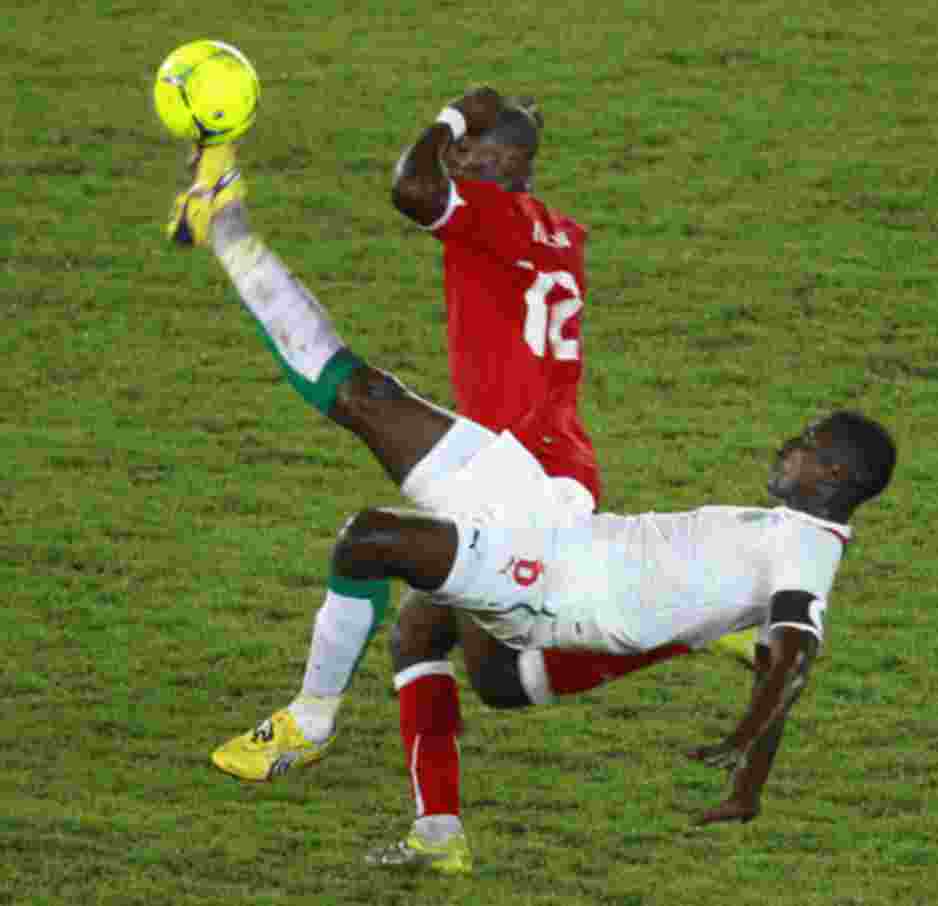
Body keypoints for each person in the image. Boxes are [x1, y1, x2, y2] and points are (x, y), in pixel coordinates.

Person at [166, 137, 896, 852]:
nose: (789, 446)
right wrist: (749, 786)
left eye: (808, 443)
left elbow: (796, 654)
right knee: (363, 395)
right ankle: (224, 219)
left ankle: (310, 721)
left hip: (552, 586)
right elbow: (784, 661)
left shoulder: (807, 550)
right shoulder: (781, 528)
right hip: (549, 516)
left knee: (369, 541)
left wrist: (742, 741)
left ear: (834, 476)